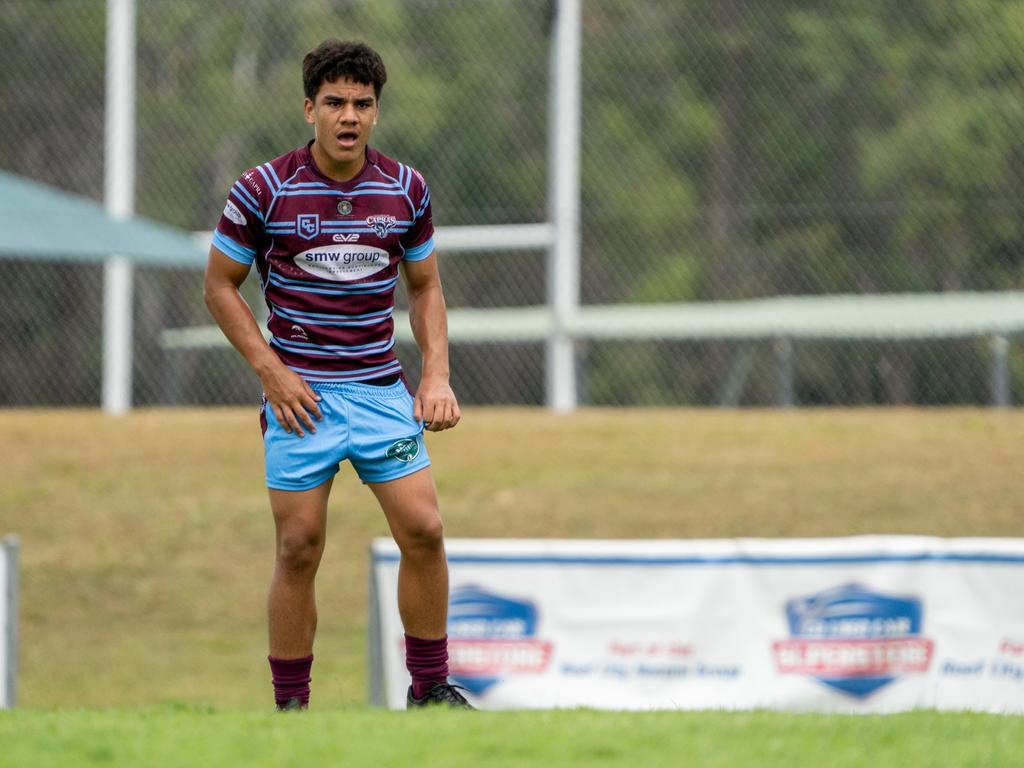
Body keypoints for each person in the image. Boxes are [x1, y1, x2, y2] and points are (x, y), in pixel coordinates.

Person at [203, 39, 472, 710]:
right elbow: (219, 287)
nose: (349, 116)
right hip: (302, 400)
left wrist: (435, 374)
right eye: (335, 103)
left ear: (376, 112)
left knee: (425, 531)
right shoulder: (263, 189)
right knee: (298, 546)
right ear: (308, 109)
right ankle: (292, 713)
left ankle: (430, 692)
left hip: (381, 391)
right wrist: (271, 372)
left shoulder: (405, 188)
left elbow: (425, 287)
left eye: (362, 104)